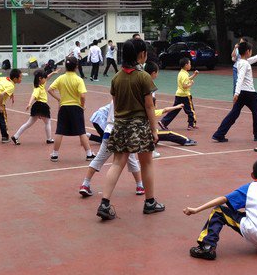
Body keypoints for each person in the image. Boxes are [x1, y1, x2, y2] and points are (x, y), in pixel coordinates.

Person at [95, 38, 163, 221]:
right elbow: (149, 106)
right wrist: (154, 129)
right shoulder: (143, 77)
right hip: (139, 126)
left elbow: (115, 105)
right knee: (146, 162)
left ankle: (105, 203)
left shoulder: (117, 77)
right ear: (141, 55)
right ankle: (150, 202)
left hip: (120, 125)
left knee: (117, 163)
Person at [79, 100, 145, 198]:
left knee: (99, 158)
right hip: (124, 132)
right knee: (131, 159)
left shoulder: (115, 98)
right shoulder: (132, 99)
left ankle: (85, 184)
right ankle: (139, 186)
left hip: (109, 131)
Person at [211, 41, 257, 143]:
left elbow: (256, 58)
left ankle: (219, 134)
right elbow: (240, 78)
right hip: (249, 93)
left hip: (242, 93)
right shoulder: (244, 64)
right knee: (256, 114)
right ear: (247, 51)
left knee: (234, 114)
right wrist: (236, 93)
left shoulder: (240, 62)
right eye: (250, 51)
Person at [47, 57, 95, 162]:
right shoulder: (78, 79)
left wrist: (59, 99)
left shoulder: (61, 78)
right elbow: (82, 96)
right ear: (76, 67)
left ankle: (55, 155)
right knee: (81, 131)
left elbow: (49, 89)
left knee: (59, 131)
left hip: (64, 108)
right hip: (76, 108)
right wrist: (82, 106)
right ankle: (89, 154)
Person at [143, 61, 198, 149]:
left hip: (139, 129)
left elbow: (164, 110)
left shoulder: (182, 73)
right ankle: (187, 135)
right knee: (168, 133)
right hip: (144, 132)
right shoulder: (148, 90)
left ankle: (164, 124)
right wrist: (153, 131)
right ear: (153, 73)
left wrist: (176, 107)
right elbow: (162, 109)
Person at [11, 70, 56, 145]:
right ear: (40, 78)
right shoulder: (37, 89)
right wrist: (29, 103)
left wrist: (52, 73)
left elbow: (47, 77)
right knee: (48, 122)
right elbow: (33, 96)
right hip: (42, 106)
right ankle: (49, 139)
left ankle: (16, 136)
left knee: (29, 123)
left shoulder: (40, 84)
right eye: (44, 78)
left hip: (37, 106)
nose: (46, 79)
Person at [158, 58, 199, 131]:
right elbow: (185, 85)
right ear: (186, 65)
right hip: (185, 95)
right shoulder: (184, 75)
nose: (190, 65)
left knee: (175, 110)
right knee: (190, 110)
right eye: (189, 64)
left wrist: (194, 75)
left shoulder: (181, 73)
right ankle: (191, 124)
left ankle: (163, 122)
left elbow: (187, 79)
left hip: (178, 95)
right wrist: (191, 84)